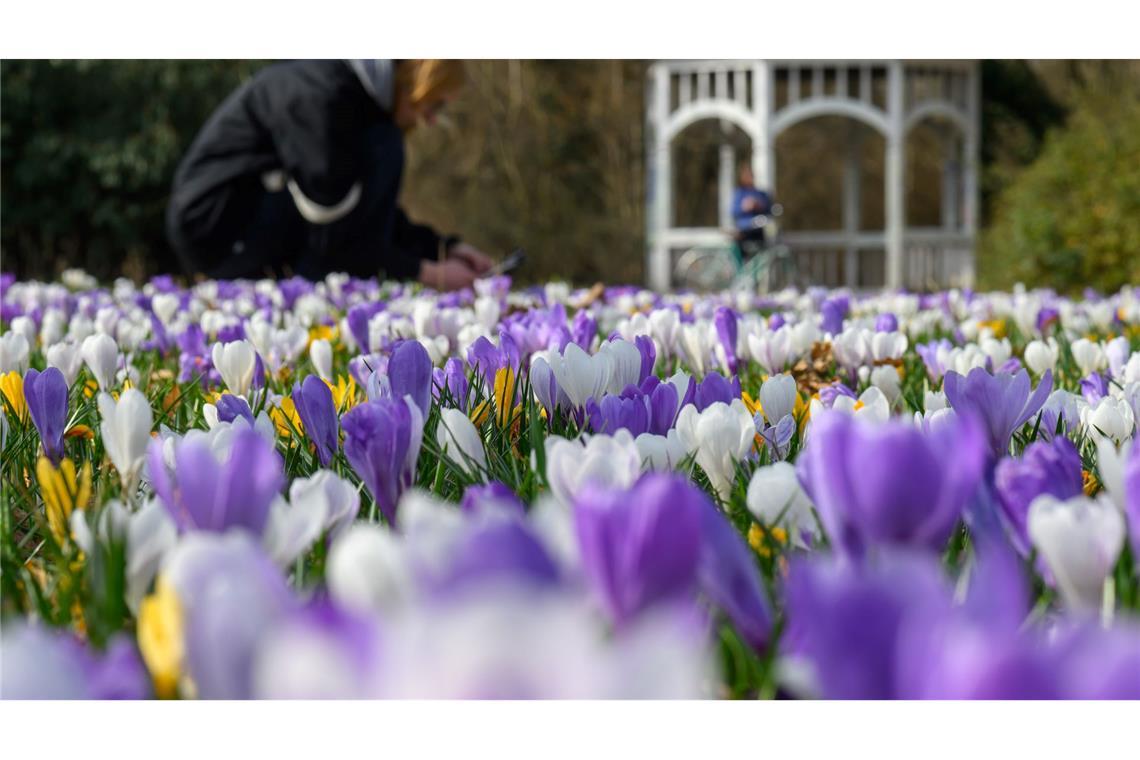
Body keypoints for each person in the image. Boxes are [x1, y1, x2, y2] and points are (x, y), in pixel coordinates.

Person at [165, 59, 492, 290]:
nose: (432, 120)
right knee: (386, 145)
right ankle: (310, 291)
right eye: (434, 104)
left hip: (239, 216)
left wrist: (443, 248)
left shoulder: (351, 94)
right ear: (413, 77)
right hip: (217, 232)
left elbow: (362, 214)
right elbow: (340, 241)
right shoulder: (323, 99)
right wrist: (430, 273)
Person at [731, 164, 774, 257]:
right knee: (741, 252)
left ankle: (759, 269)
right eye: (746, 176)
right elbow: (733, 211)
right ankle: (740, 269)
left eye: (750, 175)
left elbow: (769, 209)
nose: (749, 178)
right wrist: (744, 207)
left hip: (758, 228)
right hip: (744, 229)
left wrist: (759, 206)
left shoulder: (759, 193)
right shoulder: (740, 193)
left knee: (762, 252)